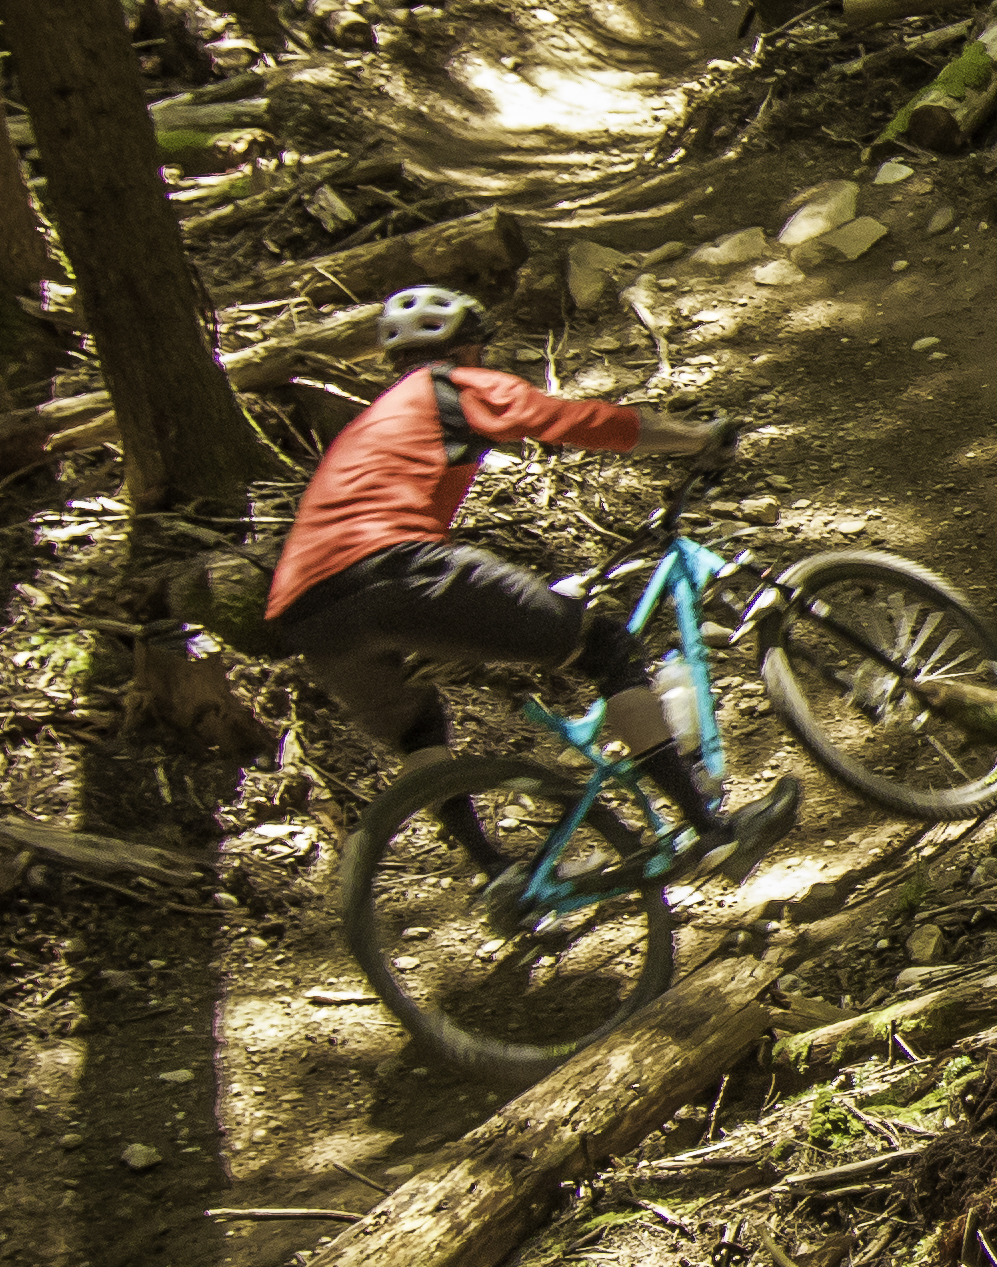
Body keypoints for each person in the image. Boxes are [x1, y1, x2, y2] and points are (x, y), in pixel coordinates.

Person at [258, 283, 790, 868]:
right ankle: (711, 831)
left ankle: (497, 878)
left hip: (308, 616)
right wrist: (693, 437)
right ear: (471, 348)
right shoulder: (450, 387)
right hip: (393, 568)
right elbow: (569, 419)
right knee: (608, 648)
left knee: (419, 733)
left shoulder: (373, 422)